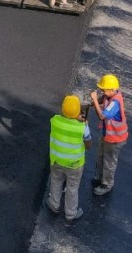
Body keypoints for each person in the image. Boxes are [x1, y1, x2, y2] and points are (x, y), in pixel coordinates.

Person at [47, 95, 93, 223]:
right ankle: (70, 213)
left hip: (57, 160)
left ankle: (54, 205)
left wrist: (73, 117)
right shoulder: (82, 127)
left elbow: (62, 117)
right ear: (79, 112)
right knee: (72, 188)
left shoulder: (54, 120)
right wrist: (83, 122)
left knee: (56, 182)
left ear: (62, 109)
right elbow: (89, 145)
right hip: (74, 164)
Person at [89, 74, 128, 195]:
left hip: (115, 139)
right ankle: (100, 177)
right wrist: (96, 101)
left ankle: (107, 184)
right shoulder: (109, 95)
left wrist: (95, 100)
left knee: (109, 162)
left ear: (112, 89)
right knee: (100, 157)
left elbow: (102, 116)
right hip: (107, 135)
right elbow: (103, 100)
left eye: (104, 90)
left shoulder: (115, 102)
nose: (103, 92)